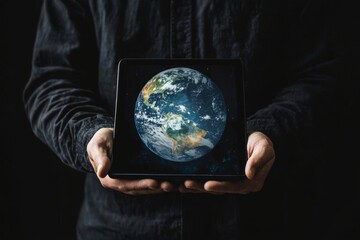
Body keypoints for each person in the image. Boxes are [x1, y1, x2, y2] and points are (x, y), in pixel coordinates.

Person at [23, 0, 340, 239]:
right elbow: (52, 81)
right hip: (117, 228)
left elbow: (319, 75)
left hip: (259, 223)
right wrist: (90, 135)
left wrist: (270, 134)